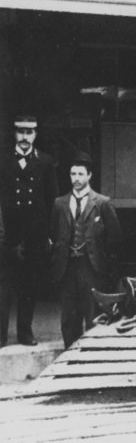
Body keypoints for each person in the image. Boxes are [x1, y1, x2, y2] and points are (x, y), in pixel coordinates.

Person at [49, 154, 122, 349]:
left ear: (89, 175)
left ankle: (91, 355)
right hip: (67, 266)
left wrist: (106, 265)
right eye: (73, 174)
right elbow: (53, 234)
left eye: (81, 174)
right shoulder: (59, 203)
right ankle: (69, 356)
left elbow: (115, 238)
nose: (76, 178)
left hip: (92, 267)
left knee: (93, 315)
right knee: (69, 317)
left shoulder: (102, 203)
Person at [0, 114, 58, 347]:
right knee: (3, 287)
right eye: (21, 132)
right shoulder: (3, 160)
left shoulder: (45, 162)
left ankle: (25, 332)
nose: (25, 137)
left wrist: (49, 235)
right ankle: (1, 335)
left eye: (29, 132)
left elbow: (52, 198)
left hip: (35, 235)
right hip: (8, 236)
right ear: (14, 133)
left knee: (29, 285)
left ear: (35, 134)